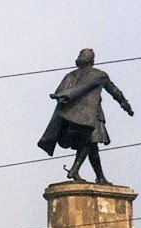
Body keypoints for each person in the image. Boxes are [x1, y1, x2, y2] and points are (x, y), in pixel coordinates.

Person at [38, 48, 134, 185]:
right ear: (92, 61)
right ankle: (75, 169)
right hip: (92, 116)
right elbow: (114, 91)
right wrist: (125, 105)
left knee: (92, 146)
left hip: (73, 117)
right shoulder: (99, 75)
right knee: (90, 142)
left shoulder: (70, 76)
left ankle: (99, 177)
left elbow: (60, 92)